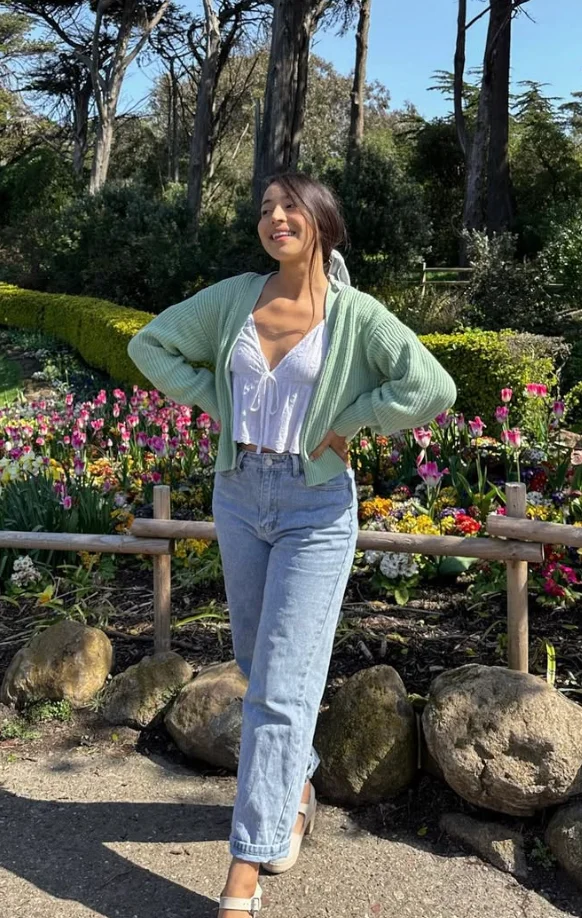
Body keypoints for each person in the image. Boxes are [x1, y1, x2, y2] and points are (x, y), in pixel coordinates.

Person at [127, 172, 456, 918]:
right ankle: (295, 784)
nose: (275, 217)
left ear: (322, 223)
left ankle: (244, 870)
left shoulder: (355, 314)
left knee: (280, 689)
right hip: (240, 493)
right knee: (258, 665)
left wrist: (355, 420)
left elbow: (431, 386)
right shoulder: (235, 298)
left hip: (315, 508)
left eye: (290, 207)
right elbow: (151, 344)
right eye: (266, 208)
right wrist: (217, 399)